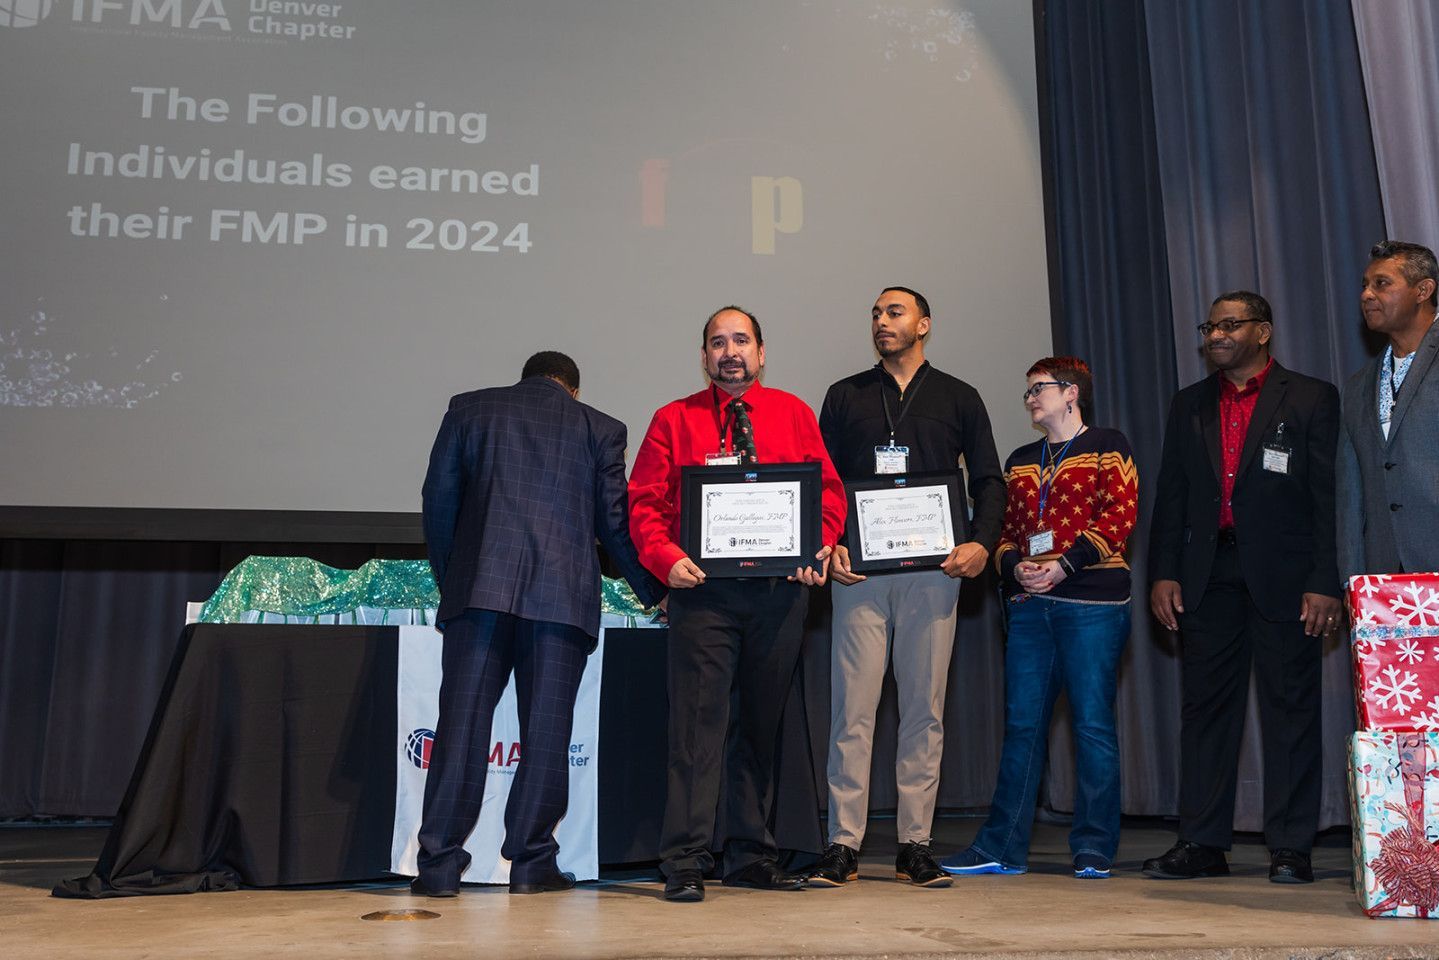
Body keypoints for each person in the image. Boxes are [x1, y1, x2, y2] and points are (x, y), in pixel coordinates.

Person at [413, 351, 664, 897]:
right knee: (547, 735)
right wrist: (654, 591)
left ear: (526, 377)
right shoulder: (600, 427)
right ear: (572, 389)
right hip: (562, 601)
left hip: (478, 595)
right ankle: (531, 862)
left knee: (459, 729)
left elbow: (438, 500)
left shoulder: (469, 409)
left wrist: (454, 577)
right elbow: (615, 525)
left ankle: (437, 868)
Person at [628, 306, 847, 903]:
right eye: (718, 342)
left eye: (741, 341)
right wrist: (665, 557)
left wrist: (818, 546)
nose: (731, 351)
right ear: (703, 357)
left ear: (762, 352)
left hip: (779, 595)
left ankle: (751, 853)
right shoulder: (673, 419)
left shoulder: (794, 413)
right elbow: (643, 503)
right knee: (696, 731)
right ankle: (686, 859)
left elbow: (827, 493)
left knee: (760, 725)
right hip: (702, 594)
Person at [809, 287, 1004, 889]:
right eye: (874, 313)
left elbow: (992, 481)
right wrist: (829, 540)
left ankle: (914, 845)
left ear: (924, 323)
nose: (881, 321)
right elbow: (823, 481)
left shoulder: (959, 396)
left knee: (925, 710)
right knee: (854, 710)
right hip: (860, 572)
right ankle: (843, 844)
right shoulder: (845, 395)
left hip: (934, 573)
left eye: (894, 312)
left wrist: (982, 542)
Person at [1145, 292, 1341, 884]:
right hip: (1208, 576)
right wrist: (1163, 571)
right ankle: (1202, 842)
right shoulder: (1190, 404)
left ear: (1264, 332)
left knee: (1290, 710)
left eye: (1230, 325)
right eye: (1210, 326)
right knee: (1204, 713)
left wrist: (1325, 580)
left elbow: (1330, 499)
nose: (1216, 336)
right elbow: (1172, 494)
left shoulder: (1309, 397)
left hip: (1288, 579)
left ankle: (1290, 847)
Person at [938, 357, 1136, 880]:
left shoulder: (1108, 444)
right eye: (1026, 391)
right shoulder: (1021, 459)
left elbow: (1120, 514)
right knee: (1022, 726)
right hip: (1029, 607)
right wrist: (1012, 565)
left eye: (1039, 389)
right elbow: (1004, 527)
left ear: (1071, 393)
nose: (1030, 398)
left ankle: (1093, 847)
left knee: (1092, 726)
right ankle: (1001, 846)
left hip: (1092, 604)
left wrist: (1065, 566)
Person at [1337, 240, 1439, 580]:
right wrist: (1352, 580)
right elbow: (1351, 492)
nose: (1366, 295)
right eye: (1365, 285)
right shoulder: (1357, 386)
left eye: (1381, 284)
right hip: (1385, 581)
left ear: (1423, 290)